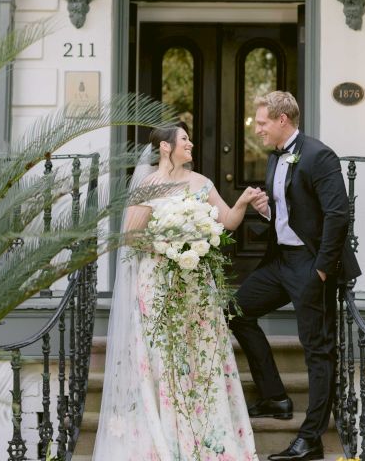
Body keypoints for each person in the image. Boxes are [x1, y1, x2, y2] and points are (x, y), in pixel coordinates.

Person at [93, 124, 260, 461]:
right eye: (185, 139)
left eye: (190, 138)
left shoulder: (202, 183)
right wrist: (167, 244)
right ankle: (166, 436)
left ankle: (207, 436)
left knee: (200, 357)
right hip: (158, 283)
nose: (191, 143)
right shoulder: (147, 187)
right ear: (167, 147)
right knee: (164, 358)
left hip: (197, 285)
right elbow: (129, 237)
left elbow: (227, 221)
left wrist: (242, 201)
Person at [230, 91, 361, 461]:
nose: (257, 129)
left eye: (262, 123)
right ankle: (275, 396)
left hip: (310, 263)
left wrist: (322, 267)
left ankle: (311, 438)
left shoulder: (319, 155)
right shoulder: (275, 157)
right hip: (280, 262)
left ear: (282, 120)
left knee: (318, 350)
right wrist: (264, 209)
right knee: (235, 311)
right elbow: (287, 212)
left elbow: (338, 214)